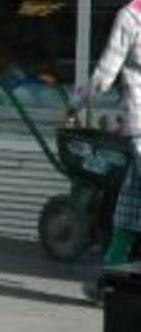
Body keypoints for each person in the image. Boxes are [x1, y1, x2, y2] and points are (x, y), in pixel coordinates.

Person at [73, 1, 141, 301]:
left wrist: (76, 103)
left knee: (131, 206)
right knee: (129, 208)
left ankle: (112, 284)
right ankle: (110, 284)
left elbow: (104, 75)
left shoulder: (131, 16)